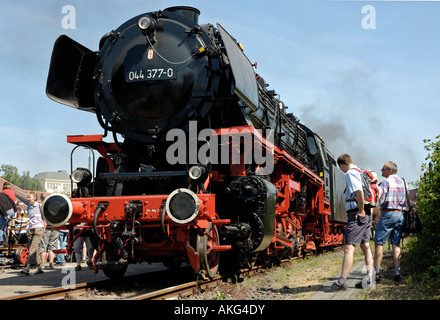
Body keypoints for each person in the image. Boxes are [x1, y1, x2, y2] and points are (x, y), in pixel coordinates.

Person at [326, 154, 374, 291]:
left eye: (340, 168)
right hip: (367, 213)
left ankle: (341, 282)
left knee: (348, 248)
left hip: (357, 213)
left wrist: (360, 210)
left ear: (342, 165)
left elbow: (359, 191)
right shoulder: (361, 172)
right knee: (366, 247)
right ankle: (369, 279)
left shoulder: (350, 173)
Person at [373, 161, 407, 282]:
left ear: (390, 171)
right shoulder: (403, 182)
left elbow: (381, 200)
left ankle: (376, 273)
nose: (381, 170)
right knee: (396, 244)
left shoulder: (385, 182)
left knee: (379, 243)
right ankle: (397, 273)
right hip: (400, 214)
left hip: (388, 213)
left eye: (383, 169)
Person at [21, 191, 45, 275]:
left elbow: (44, 218)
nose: (28, 199)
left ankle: (27, 268)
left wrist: (44, 229)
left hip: (38, 228)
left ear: (35, 198)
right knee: (35, 249)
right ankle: (40, 267)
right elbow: (29, 219)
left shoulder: (40, 206)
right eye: (27, 197)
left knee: (32, 248)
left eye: (29, 197)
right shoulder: (28, 208)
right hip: (30, 228)